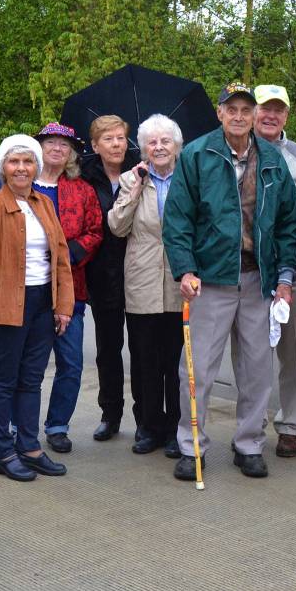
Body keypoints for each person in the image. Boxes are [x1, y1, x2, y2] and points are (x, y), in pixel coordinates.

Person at [163, 82, 296, 481]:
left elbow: (290, 225)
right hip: (210, 280)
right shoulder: (196, 154)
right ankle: (192, 447)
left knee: (257, 369)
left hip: (260, 280)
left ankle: (249, 444)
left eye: (246, 109)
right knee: (198, 369)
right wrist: (185, 269)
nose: (239, 116)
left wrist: (286, 277)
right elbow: (178, 220)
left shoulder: (274, 159)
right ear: (220, 114)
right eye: (232, 109)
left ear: (255, 115)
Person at [0, 134, 74, 481]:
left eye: (28, 162)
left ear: (36, 167)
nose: (22, 168)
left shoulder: (44, 204)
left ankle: (29, 446)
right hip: (9, 306)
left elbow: (60, 258)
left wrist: (64, 306)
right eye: (14, 162)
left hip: (44, 301)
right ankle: (3, 451)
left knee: (32, 378)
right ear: (3, 167)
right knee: (4, 379)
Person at [229, 85, 296, 457]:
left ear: (286, 115)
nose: (270, 115)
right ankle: (253, 423)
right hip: (248, 271)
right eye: (264, 108)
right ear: (252, 113)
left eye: (277, 110)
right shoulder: (234, 153)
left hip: (291, 268)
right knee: (249, 354)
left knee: (294, 353)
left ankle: (290, 425)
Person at [108, 114, 184, 456]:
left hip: (180, 280)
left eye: (165, 141)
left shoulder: (189, 177)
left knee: (176, 361)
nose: (159, 147)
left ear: (177, 145)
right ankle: (148, 426)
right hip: (141, 280)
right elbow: (117, 226)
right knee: (144, 360)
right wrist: (136, 187)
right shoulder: (129, 179)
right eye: (152, 142)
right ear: (143, 149)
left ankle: (175, 429)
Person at [31, 122, 102, 454]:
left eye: (64, 144)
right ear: (39, 147)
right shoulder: (22, 184)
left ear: (72, 152)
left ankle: (58, 425)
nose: (57, 148)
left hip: (71, 288)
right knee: (27, 363)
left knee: (71, 363)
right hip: (29, 288)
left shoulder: (82, 189)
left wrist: (71, 252)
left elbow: (95, 230)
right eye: (50, 142)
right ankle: (21, 424)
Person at [81, 114, 141, 442]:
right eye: (108, 139)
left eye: (121, 137)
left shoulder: (142, 168)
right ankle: (110, 413)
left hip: (139, 270)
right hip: (102, 273)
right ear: (95, 145)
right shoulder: (86, 176)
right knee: (108, 348)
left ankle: (146, 415)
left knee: (145, 348)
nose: (117, 144)